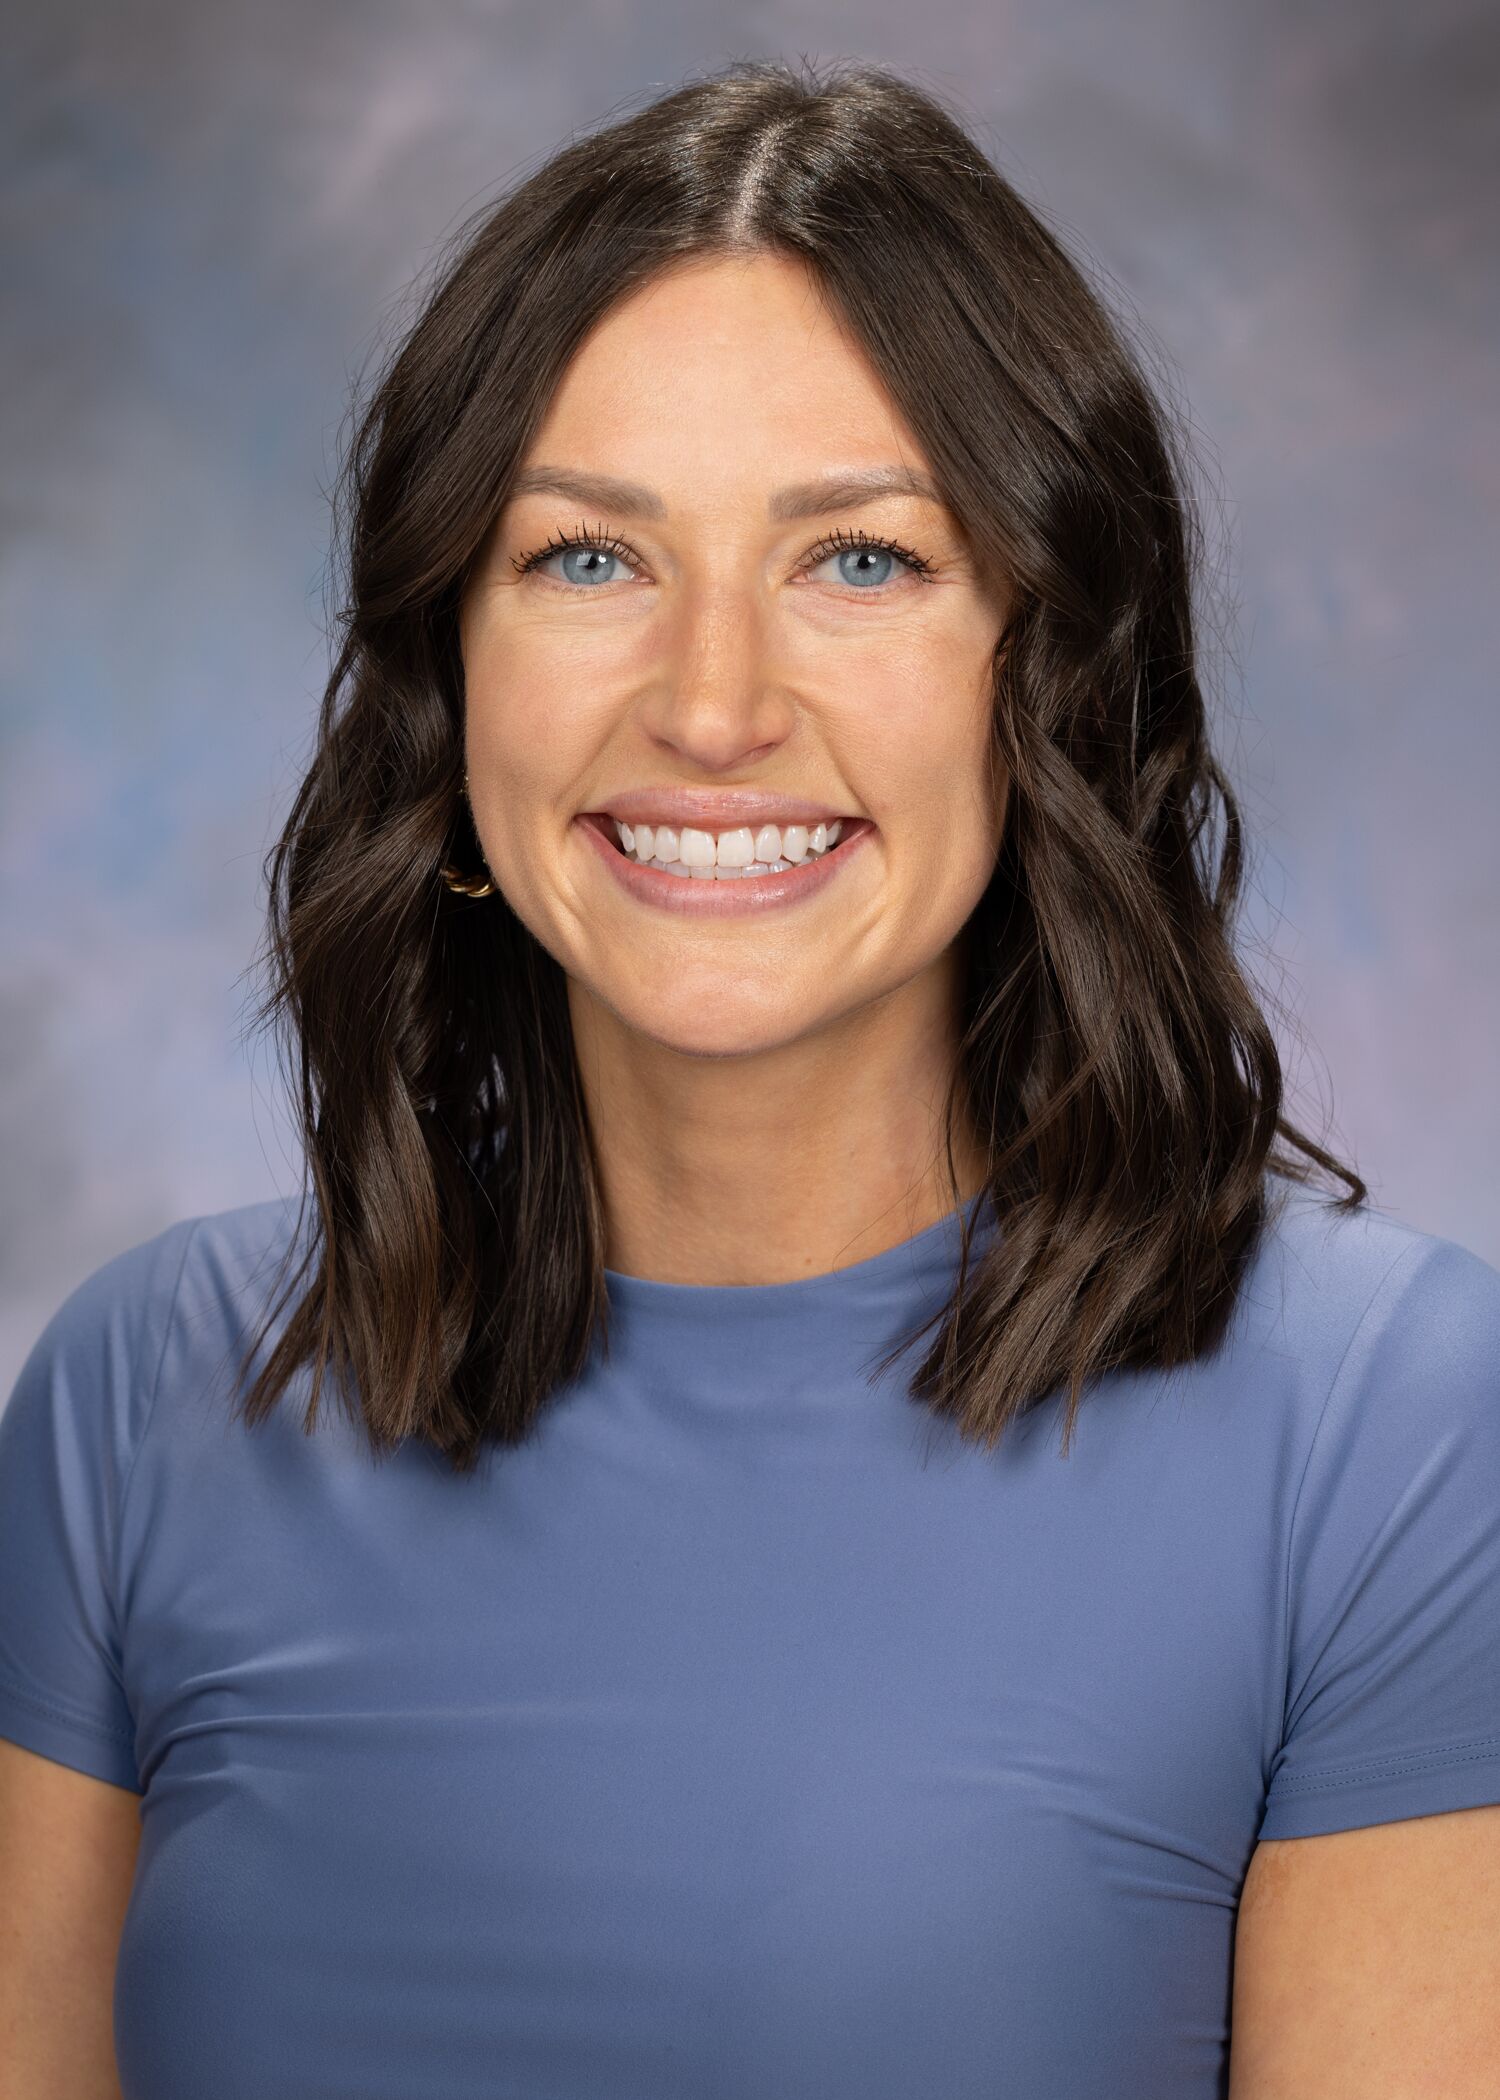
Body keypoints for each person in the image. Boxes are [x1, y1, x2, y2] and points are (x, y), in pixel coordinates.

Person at [2, 55, 1498, 2100]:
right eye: (588, 561)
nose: (712, 706)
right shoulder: (136, 1398)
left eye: (862, 560)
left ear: (1041, 673)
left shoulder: (1391, 1437)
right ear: (450, 687)